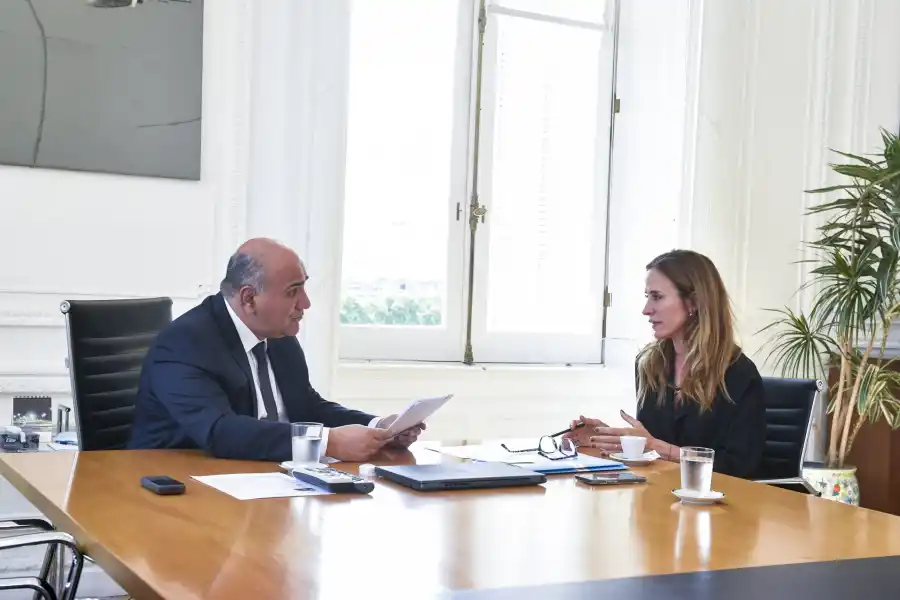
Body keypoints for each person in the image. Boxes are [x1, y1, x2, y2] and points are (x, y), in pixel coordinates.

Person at [128, 238, 424, 462]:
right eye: (292, 292)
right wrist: (328, 442)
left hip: (259, 481)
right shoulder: (186, 343)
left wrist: (378, 428)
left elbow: (306, 406)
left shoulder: (279, 335)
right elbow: (220, 431)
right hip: (177, 488)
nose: (305, 304)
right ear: (249, 299)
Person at [565, 249, 766, 478]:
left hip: (718, 505)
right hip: (660, 496)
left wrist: (659, 448)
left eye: (657, 296)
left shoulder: (739, 374)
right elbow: (652, 442)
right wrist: (610, 437)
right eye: (647, 296)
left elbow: (740, 468)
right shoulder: (650, 364)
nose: (646, 309)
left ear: (693, 302)